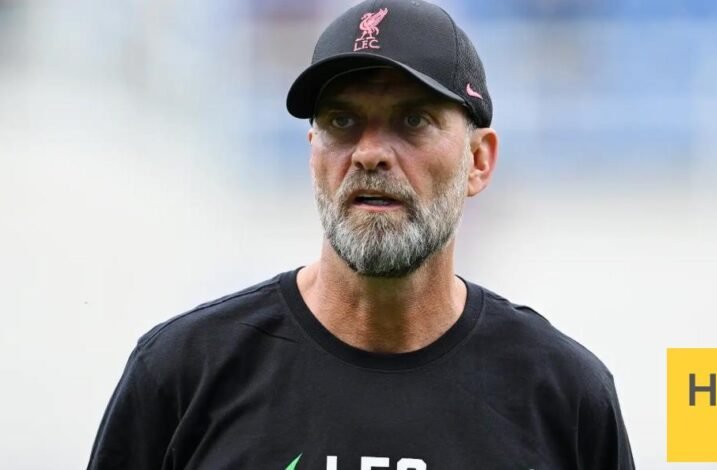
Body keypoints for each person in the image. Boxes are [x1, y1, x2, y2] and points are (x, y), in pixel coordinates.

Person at [88, 1, 635, 468]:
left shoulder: (563, 396)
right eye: (341, 122)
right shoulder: (183, 374)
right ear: (312, 152)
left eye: (413, 121)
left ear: (478, 161)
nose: (370, 153)